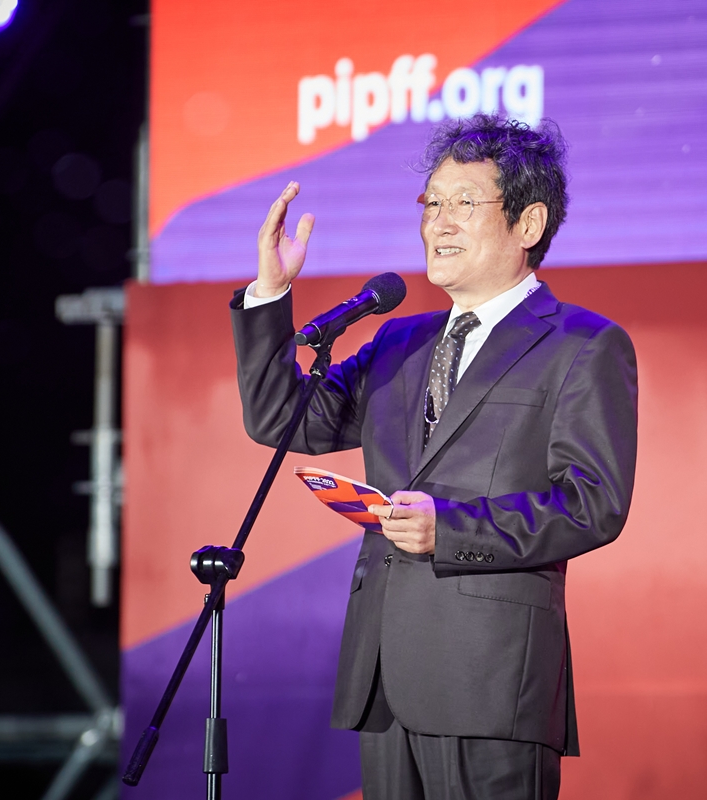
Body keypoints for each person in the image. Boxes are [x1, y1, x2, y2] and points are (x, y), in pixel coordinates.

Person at [230, 114, 638, 799]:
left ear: (529, 222)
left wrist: (448, 529)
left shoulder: (582, 345)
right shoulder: (400, 342)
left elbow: (592, 504)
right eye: (432, 204)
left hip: (492, 681)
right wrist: (270, 295)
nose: (438, 223)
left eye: (464, 203)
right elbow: (281, 417)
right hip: (385, 676)